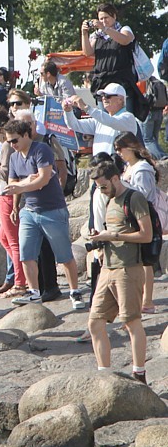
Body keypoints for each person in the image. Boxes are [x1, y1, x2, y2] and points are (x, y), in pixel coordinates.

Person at [2, 120, 85, 309]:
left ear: (25, 135)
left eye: (14, 140)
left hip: (52, 210)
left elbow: (43, 180)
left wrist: (25, 184)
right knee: (26, 254)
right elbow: (11, 185)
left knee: (64, 255)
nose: (12, 145)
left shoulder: (41, 150)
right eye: (9, 142)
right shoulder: (14, 158)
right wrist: (19, 197)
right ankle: (34, 291)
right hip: (29, 211)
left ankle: (75, 291)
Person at [86, 159, 152, 384]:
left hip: (128, 269)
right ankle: (104, 375)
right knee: (95, 322)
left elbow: (146, 235)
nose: (101, 191)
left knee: (131, 322)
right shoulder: (108, 200)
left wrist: (112, 236)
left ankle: (139, 374)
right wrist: (100, 236)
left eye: (103, 186)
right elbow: (112, 229)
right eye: (97, 187)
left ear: (115, 178)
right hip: (107, 268)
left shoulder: (135, 198)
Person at [114, 132, 162, 314]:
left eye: (120, 148)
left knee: (147, 261)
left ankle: (147, 300)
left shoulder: (142, 169)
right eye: (116, 149)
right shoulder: (129, 166)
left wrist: (123, 186)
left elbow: (144, 193)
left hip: (144, 215)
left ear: (131, 147)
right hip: (133, 216)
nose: (118, 152)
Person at [0, 105, 27, 298]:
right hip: (5, 195)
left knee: (13, 242)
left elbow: (5, 173)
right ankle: (19, 275)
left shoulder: (7, 145)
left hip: (9, 195)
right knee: (4, 238)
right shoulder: (9, 144)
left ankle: (20, 282)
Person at [80, 2, 146, 117]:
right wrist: (84, 34)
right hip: (102, 82)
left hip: (122, 82)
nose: (104, 21)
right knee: (105, 120)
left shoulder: (124, 29)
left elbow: (125, 40)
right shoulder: (97, 35)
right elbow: (87, 52)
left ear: (114, 16)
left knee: (125, 119)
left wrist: (105, 29)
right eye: (101, 19)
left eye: (106, 18)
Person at [63, 83, 137, 155]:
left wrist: (85, 107)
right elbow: (74, 125)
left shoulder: (128, 117)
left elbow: (111, 122)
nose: (104, 98)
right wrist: (68, 111)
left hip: (118, 166)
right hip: (100, 165)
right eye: (102, 95)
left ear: (120, 99)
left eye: (108, 96)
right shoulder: (100, 120)